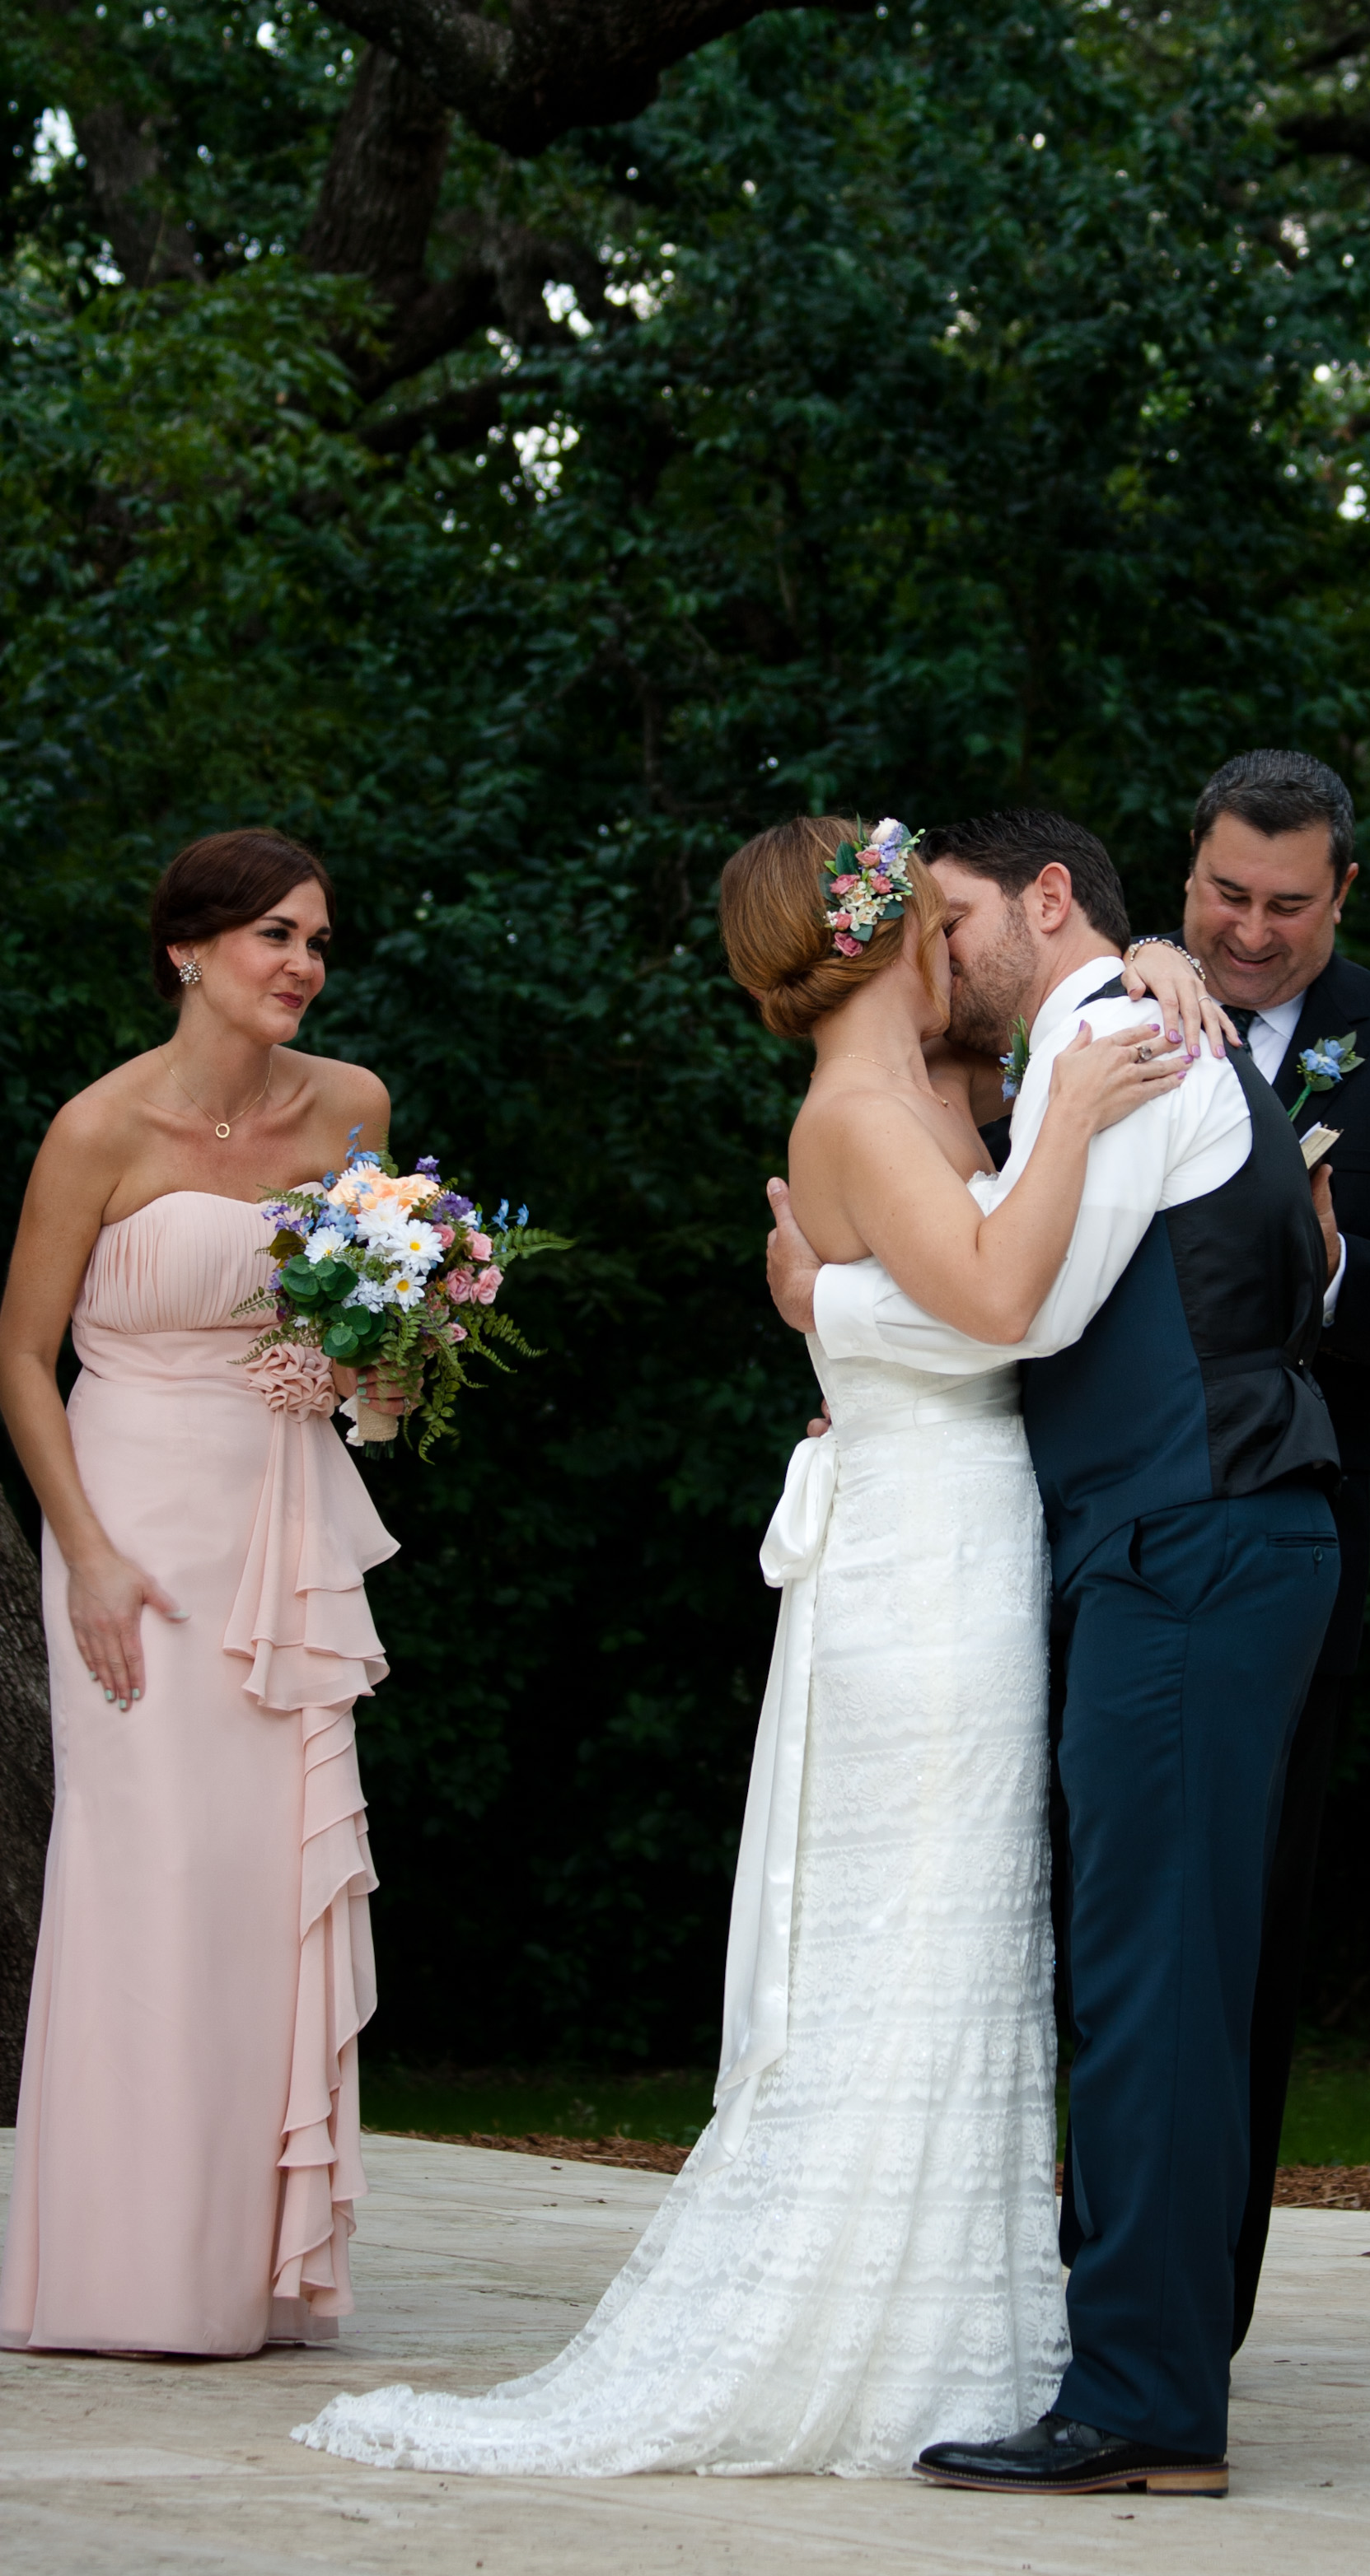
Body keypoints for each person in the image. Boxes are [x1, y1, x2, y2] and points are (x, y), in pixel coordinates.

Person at [295, 813, 1190, 2478]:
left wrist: (1141, 962)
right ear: (884, 930)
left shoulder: (937, 1087)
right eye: (933, 913)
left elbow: (1001, 1149)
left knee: (966, 1935)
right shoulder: (854, 1116)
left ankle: (955, 2333)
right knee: (912, 1935)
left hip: (967, 1540)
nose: (957, 938)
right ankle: (871, 2340)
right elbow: (1002, 1299)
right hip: (920, 1570)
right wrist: (1072, 1115)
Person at [767, 809, 1342, 2499]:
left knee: (1154, 1981)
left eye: (951, 918)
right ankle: (1146, 2370)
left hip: (1190, 1545)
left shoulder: (1115, 1041)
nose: (931, 949)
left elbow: (1025, 1309)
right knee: (1155, 1971)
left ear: (1046, 899)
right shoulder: (1105, 1032)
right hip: (1185, 1542)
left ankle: (1148, 2402)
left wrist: (826, 1305)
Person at [0, 828, 402, 2358]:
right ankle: (119, 2272)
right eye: (273, 936)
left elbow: (374, 1334)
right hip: (132, 1525)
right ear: (189, 950)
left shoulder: (352, 1108)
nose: (302, 963)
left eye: (318, 940)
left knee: (256, 1882)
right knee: (146, 1869)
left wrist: (363, 1375)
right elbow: (18, 1358)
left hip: (277, 1525)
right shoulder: (99, 1127)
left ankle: (245, 2272)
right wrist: (88, 1551)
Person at [1176, 749, 1370, 2347]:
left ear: (1344, 894)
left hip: (1287, 1565)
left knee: (1242, 1937)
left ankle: (1192, 2325)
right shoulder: (1098, 1019)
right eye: (1227, 893)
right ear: (1188, 871)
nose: (1250, 931)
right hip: (1074, 1532)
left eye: (1288, 906)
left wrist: (1336, 1261)